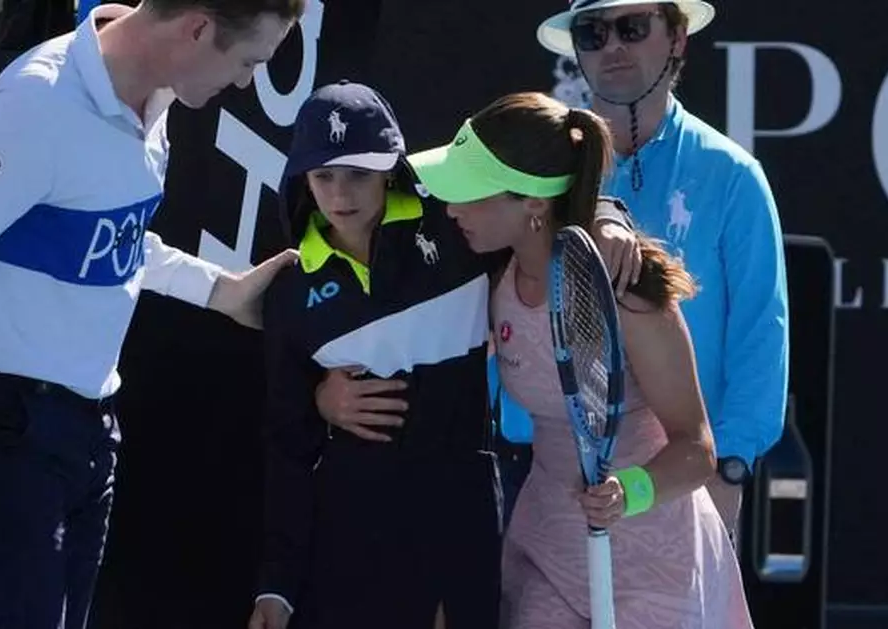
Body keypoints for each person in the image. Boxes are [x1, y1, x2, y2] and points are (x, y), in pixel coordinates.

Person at [0, 2, 303, 627]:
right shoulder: (33, 106)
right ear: (197, 29)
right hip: (6, 431)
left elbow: (111, 236)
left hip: (89, 432)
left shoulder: (155, 103)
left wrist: (221, 291)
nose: (242, 82)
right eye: (247, 62)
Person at [247, 81, 639, 629]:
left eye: (358, 173)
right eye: (323, 175)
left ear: (390, 167)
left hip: (463, 520)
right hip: (351, 543)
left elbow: (538, 194)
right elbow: (287, 444)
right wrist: (277, 585)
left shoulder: (457, 226)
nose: (340, 194)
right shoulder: (290, 292)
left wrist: (608, 214)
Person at [409, 90, 753, 628]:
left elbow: (697, 449)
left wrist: (628, 493)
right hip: (546, 544)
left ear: (533, 203)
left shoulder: (627, 294)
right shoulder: (488, 270)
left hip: (654, 564)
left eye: (470, 193)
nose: (451, 208)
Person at [536, 0, 790, 537]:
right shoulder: (542, 173)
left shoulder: (733, 175)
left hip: (684, 485)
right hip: (552, 480)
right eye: (593, 32)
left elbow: (760, 332)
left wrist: (730, 465)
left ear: (677, 38)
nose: (613, 46)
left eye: (632, 27)